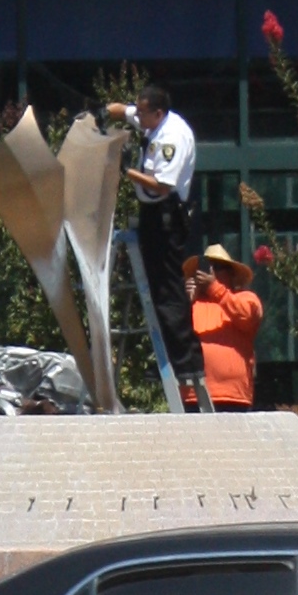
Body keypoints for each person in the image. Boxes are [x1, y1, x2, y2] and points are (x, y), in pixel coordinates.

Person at [106, 86, 205, 382]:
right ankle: (172, 358)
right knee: (154, 284)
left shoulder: (171, 137)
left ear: (158, 113)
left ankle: (184, 362)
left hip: (166, 214)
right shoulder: (152, 119)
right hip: (153, 214)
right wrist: (98, 114)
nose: (139, 115)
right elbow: (121, 110)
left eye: (144, 112)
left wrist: (125, 170)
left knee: (167, 290)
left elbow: (160, 185)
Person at [182, 244, 263, 412]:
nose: (211, 273)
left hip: (233, 396)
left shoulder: (245, 298)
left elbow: (247, 316)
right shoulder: (192, 303)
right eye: (207, 268)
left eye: (218, 268)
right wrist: (186, 302)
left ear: (231, 274)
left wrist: (214, 288)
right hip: (194, 394)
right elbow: (174, 335)